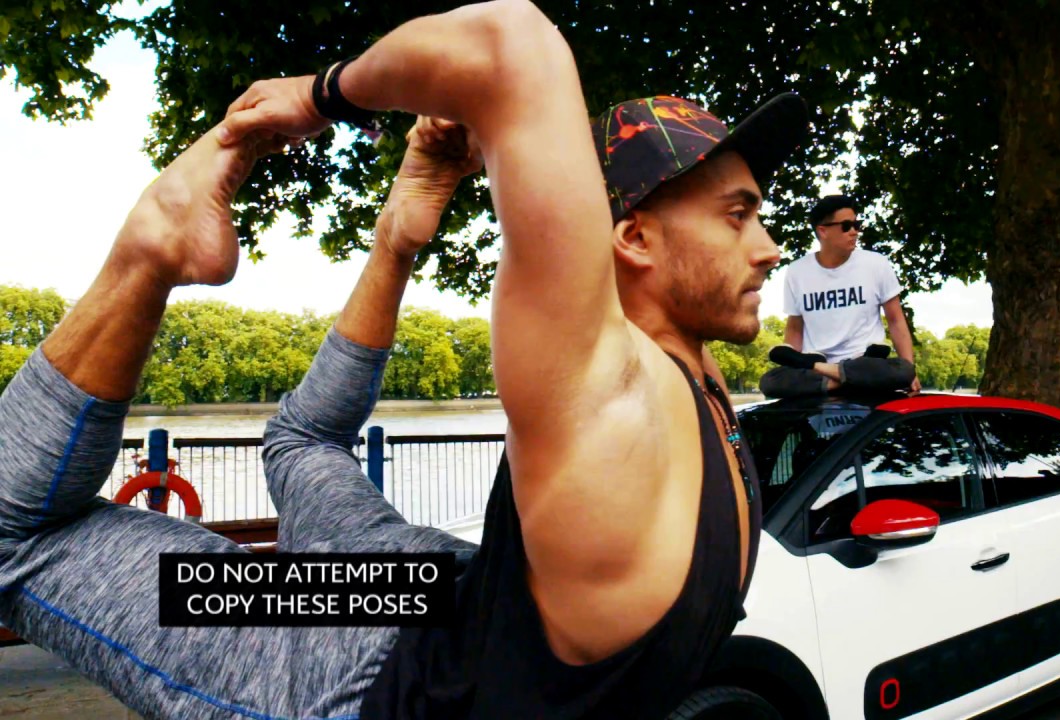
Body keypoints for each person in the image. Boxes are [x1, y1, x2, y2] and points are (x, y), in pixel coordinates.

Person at [0, 2, 809, 718]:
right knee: (297, 447)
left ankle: (158, 250)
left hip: (384, 650)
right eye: (737, 216)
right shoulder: (616, 385)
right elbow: (508, 44)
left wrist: (323, 91)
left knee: (18, 531)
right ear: (630, 239)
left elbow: (509, 59)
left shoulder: (685, 388)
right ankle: (375, 236)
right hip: (425, 605)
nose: (770, 250)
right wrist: (316, 94)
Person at [759, 194, 921, 399]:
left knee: (903, 370)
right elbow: (795, 326)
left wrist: (910, 372)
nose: (854, 231)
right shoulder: (797, 271)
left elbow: (896, 320)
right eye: (846, 226)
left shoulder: (876, 264)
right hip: (818, 366)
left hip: (864, 362)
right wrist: (794, 364)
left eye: (856, 225)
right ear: (823, 231)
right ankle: (841, 379)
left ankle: (836, 379)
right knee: (770, 381)